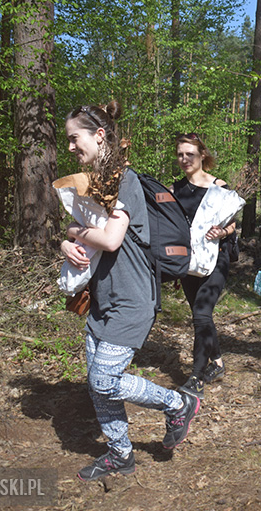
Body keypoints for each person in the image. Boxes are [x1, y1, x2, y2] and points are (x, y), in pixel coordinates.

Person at [60, 102, 200, 482]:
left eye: (74, 138)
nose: (70, 147)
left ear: (98, 135)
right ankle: (120, 453)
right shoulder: (94, 182)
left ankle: (177, 403)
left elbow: (110, 239)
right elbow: (80, 232)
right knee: (97, 385)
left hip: (132, 300)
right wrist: (66, 242)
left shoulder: (124, 180)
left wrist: (74, 231)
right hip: (102, 298)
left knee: (104, 379)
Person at [170, 133, 236, 399]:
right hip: (188, 261)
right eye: (180, 154)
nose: (184, 159)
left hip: (216, 258)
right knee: (201, 317)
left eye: (190, 154)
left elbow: (233, 225)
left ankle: (196, 378)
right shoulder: (174, 190)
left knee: (201, 312)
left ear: (202, 155)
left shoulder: (219, 187)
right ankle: (216, 362)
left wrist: (222, 231)